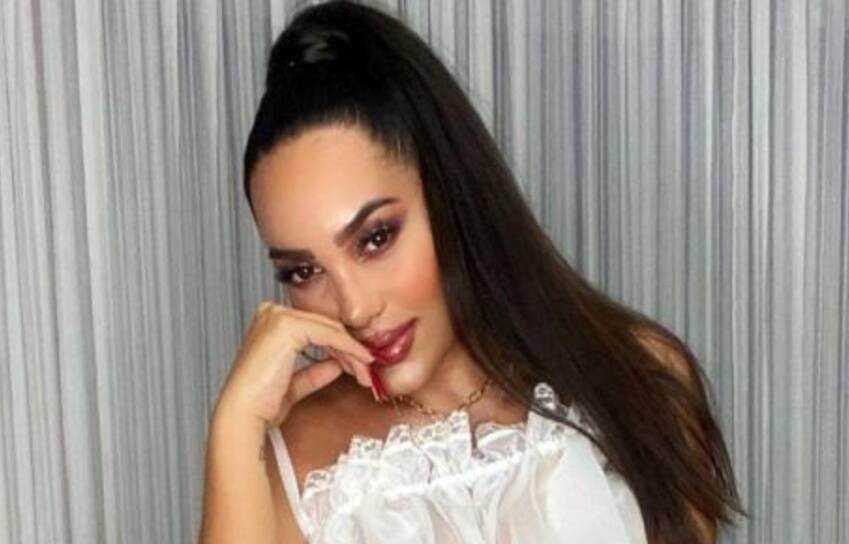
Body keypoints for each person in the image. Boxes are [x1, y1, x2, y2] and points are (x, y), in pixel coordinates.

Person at [198, 2, 743, 543]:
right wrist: (232, 429)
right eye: (303, 271)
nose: (354, 308)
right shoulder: (292, 467)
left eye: (376, 238)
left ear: (450, 196)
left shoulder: (642, 379)